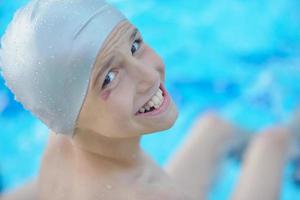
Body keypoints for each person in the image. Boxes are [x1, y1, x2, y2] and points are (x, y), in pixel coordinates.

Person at [0, 0, 296, 199]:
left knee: (213, 128)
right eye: (109, 78)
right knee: (273, 142)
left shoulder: (61, 137)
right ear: (67, 114)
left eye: (135, 45)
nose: (148, 76)